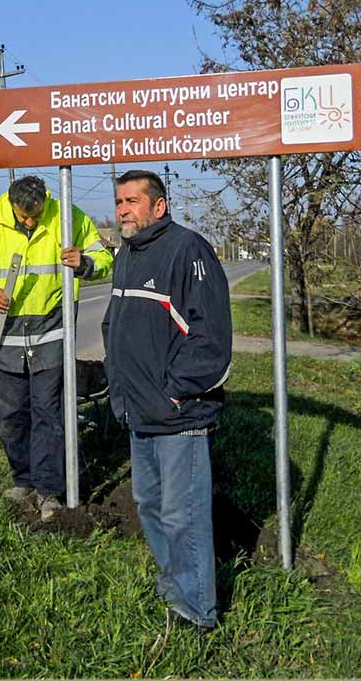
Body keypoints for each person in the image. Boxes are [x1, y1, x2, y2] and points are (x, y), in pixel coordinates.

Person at [101, 169, 232, 630]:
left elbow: (211, 339)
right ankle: (173, 585)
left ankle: (198, 613)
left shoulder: (187, 249)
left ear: (158, 206)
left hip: (179, 415)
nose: (122, 210)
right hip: (139, 412)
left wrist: (175, 393)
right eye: (119, 201)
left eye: (132, 201)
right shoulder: (128, 255)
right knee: (151, 506)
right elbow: (114, 325)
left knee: (183, 516)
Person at [0, 175, 113, 521]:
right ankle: (23, 477)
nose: (31, 222)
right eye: (24, 217)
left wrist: (84, 263)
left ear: (45, 201)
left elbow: (103, 256)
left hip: (52, 330)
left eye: (36, 215)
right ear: (11, 204)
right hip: (6, 333)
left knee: (49, 414)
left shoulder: (67, 216)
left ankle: (48, 490)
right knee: (12, 415)